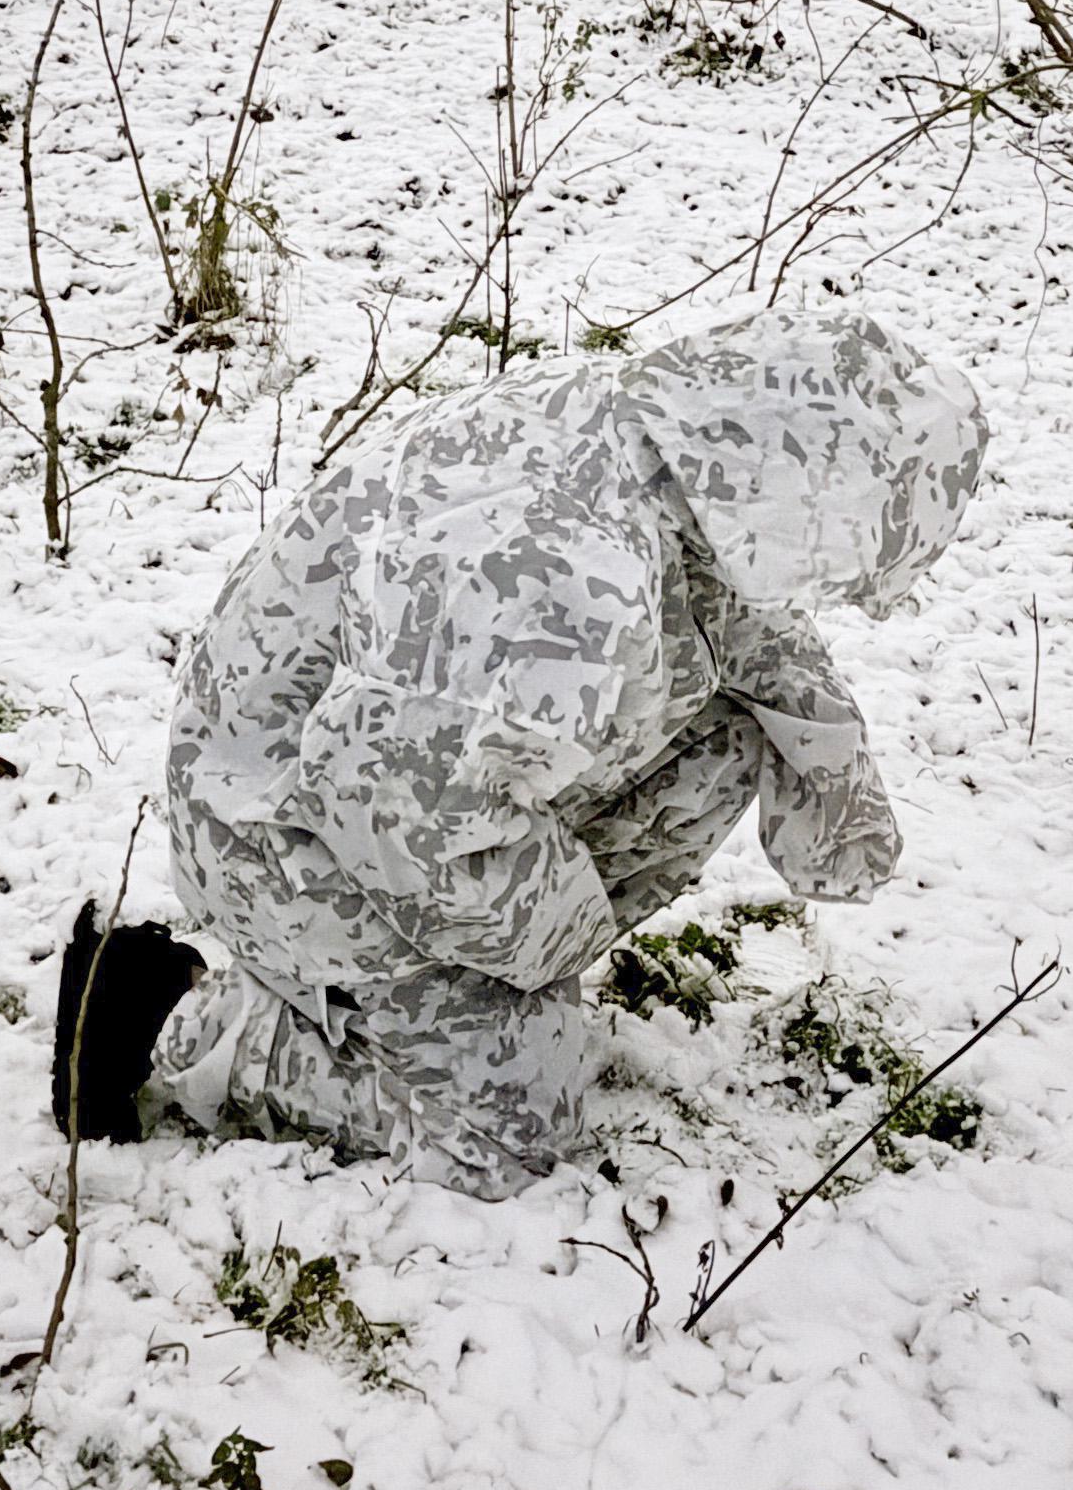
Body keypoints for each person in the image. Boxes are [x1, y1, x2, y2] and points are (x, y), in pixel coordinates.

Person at [51, 308, 987, 1196]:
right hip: (280, 828)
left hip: (372, 782)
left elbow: (745, 621)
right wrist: (549, 945)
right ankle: (173, 1021)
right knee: (508, 1141)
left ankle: (468, 975)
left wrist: (834, 777)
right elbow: (394, 806)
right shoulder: (571, 579)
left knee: (731, 727)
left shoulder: (661, 436)